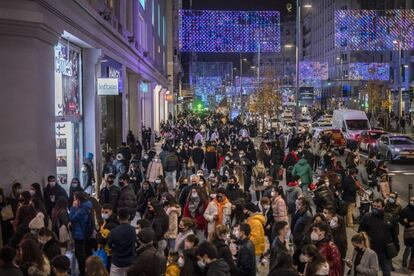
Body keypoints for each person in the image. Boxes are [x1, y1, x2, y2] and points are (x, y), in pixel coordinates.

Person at [359, 198, 397, 276]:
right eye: (374, 206)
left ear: (383, 207)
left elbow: (394, 234)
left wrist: (396, 246)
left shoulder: (389, 217)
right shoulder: (367, 217)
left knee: (386, 272)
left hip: (384, 252)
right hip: (371, 250)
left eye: (378, 206)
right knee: (371, 272)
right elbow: (361, 232)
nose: (375, 208)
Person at [69, 191, 93, 276]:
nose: (73, 200)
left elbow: (72, 218)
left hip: (80, 235)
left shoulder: (81, 209)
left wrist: (73, 207)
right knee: (83, 254)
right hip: (83, 233)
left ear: (78, 199)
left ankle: (83, 272)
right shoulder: (86, 206)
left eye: (74, 198)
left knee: (80, 255)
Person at [108, 208, 136, 276]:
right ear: (128, 216)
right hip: (129, 261)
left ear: (118, 217)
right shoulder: (133, 230)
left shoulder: (114, 231)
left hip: (117, 261)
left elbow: (109, 245)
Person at [96, 203, 119, 268]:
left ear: (111, 211)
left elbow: (101, 240)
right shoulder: (106, 221)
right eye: (102, 212)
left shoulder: (110, 225)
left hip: (108, 252)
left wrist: (98, 234)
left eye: (106, 212)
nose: (104, 214)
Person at [399, 196, 414, 268]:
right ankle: (404, 262)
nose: (412, 202)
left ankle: (411, 264)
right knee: (409, 247)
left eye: (413, 200)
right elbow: (401, 220)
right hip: (409, 232)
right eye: (411, 200)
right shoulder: (406, 210)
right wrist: (407, 223)